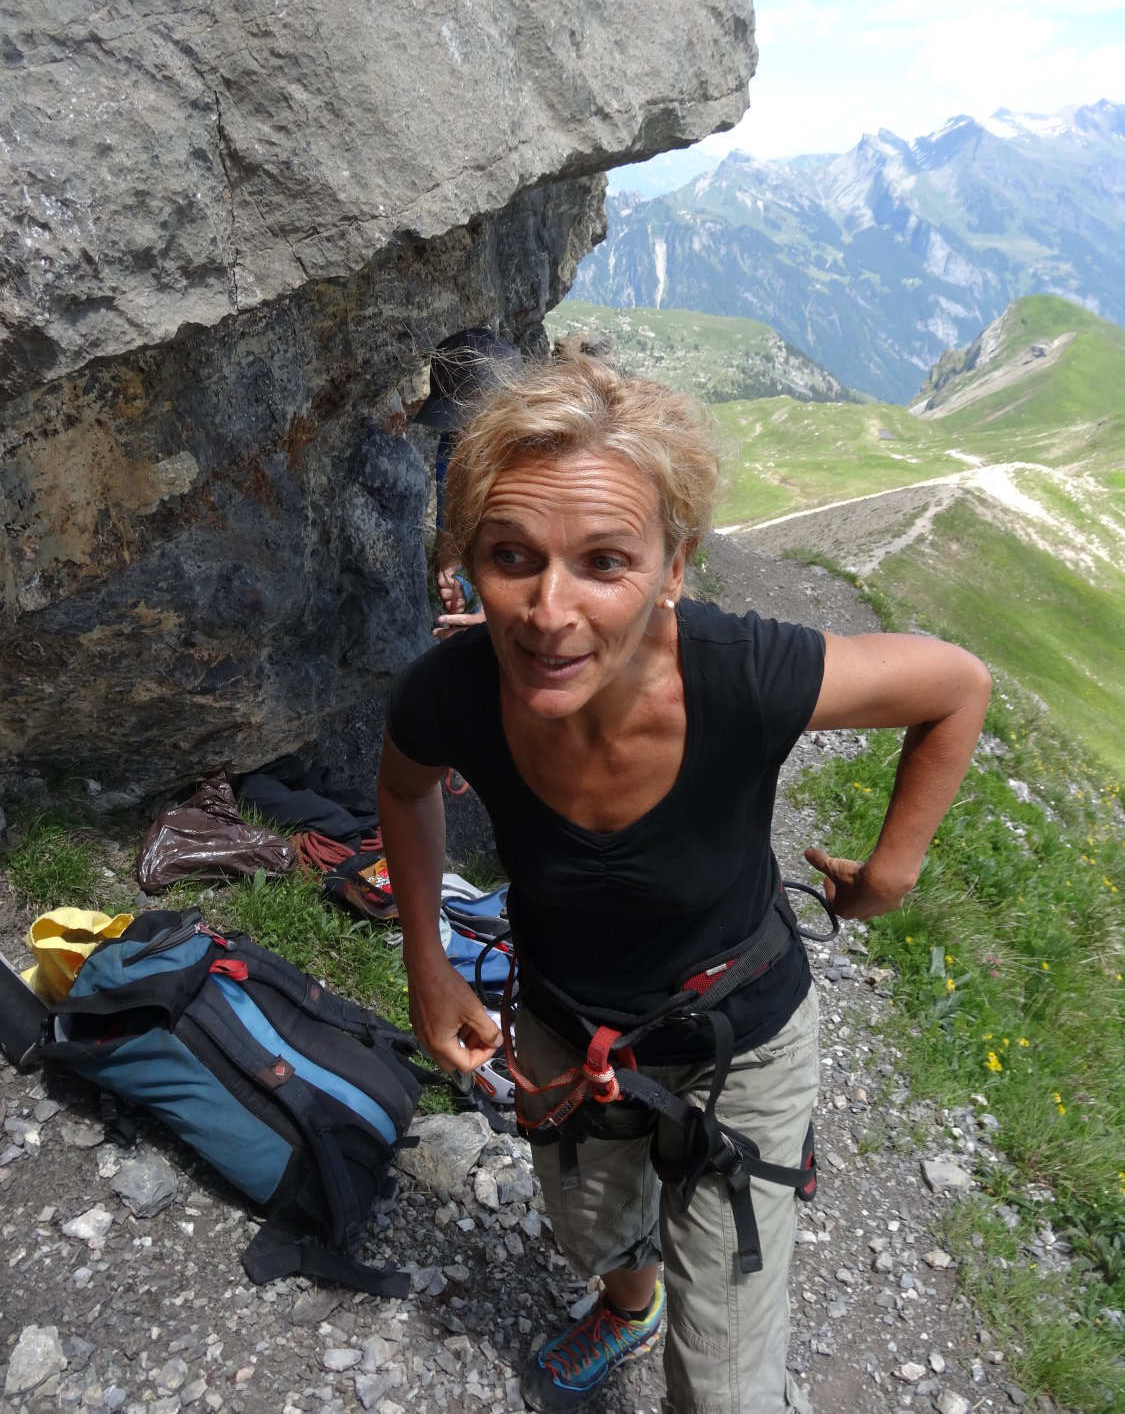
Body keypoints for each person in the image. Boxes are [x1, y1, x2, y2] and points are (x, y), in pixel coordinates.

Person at [377, 355, 991, 1414]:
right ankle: (630, 1307)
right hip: (566, 1027)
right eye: (512, 556)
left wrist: (892, 871)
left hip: (737, 1039)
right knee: (590, 1230)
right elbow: (404, 788)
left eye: (604, 562)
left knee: (724, 1384)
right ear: (467, 561)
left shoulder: (740, 675)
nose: (548, 611)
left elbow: (955, 686)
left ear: (673, 569)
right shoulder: (451, 694)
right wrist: (426, 962)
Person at [413, 326, 521, 634]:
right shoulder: (454, 447)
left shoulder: (545, 462)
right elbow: (450, 533)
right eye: (453, 422)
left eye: (469, 421)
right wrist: (453, 577)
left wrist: (493, 620)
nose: (460, 434)